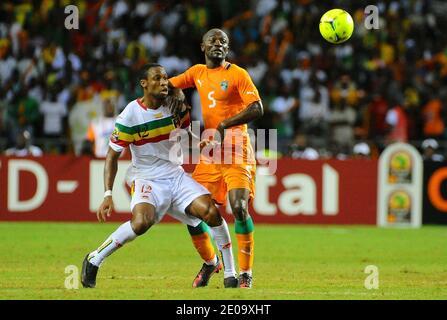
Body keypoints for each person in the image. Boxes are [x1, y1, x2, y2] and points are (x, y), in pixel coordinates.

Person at [81, 63, 236, 288]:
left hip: (175, 175)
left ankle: (230, 274)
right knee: (141, 222)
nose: (164, 82)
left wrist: (197, 141)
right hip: (147, 178)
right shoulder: (129, 117)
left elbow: (183, 133)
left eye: (165, 78)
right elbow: (112, 157)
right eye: (157, 78)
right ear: (143, 84)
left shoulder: (175, 107)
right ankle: (95, 259)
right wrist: (107, 194)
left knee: (211, 212)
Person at [169, 28, 264, 288]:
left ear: (228, 47)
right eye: (213, 40)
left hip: (237, 149)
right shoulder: (197, 72)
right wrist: (177, 95)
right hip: (211, 152)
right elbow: (168, 86)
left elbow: (257, 108)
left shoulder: (237, 74)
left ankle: (245, 273)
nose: (218, 44)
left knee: (239, 207)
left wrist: (224, 124)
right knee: (191, 211)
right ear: (203, 46)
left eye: (223, 41)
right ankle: (212, 262)